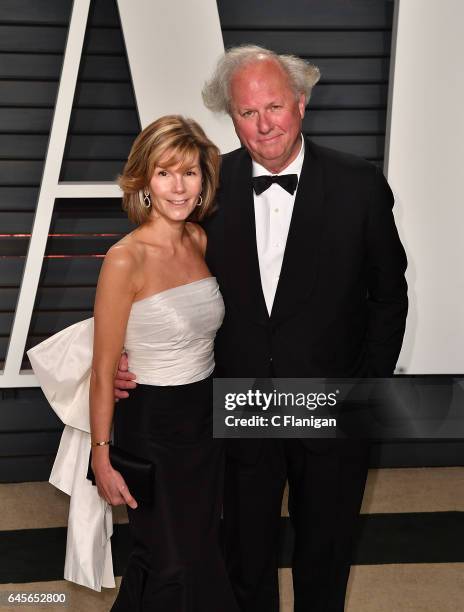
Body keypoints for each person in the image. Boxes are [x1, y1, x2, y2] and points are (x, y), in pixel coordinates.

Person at [116, 46, 408, 612]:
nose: (263, 124)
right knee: (243, 558)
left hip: (330, 403)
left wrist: (363, 387)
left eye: (274, 107)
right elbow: (157, 268)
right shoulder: (206, 188)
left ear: (300, 104)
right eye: (247, 113)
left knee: (325, 554)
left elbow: (388, 296)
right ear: (232, 117)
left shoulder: (359, 185)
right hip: (236, 404)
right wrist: (133, 350)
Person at [91, 115, 238, 611]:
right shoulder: (124, 260)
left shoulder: (197, 240)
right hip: (151, 428)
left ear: (204, 181)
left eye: (190, 172)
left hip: (205, 419)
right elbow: (104, 367)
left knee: (197, 553)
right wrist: (101, 454)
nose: (179, 186)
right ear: (145, 181)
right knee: (169, 560)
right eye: (165, 172)